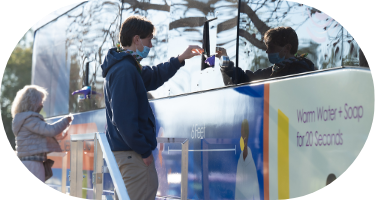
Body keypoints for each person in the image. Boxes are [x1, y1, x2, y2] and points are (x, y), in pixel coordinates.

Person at [100, 15, 203, 200]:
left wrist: (180, 59)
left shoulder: (126, 67)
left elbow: (154, 76)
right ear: (136, 39)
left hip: (127, 155)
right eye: (149, 40)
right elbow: (123, 120)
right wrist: (144, 151)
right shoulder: (125, 70)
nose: (151, 45)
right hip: (132, 155)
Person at [11, 85, 73, 200]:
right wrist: (67, 120)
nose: (42, 104)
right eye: (41, 100)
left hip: (25, 162)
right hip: (33, 163)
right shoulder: (30, 119)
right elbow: (50, 130)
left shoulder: (22, 119)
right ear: (33, 101)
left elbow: (42, 135)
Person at [218, 26, 315, 85]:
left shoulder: (301, 71)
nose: (267, 51)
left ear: (287, 48)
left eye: (271, 47)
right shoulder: (273, 71)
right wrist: (225, 60)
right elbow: (244, 79)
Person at [235, 119, 260, 200]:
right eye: (241, 132)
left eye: (244, 132)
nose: (242, 135)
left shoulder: (252, 160)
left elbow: (256, 191)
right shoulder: (240, 158)